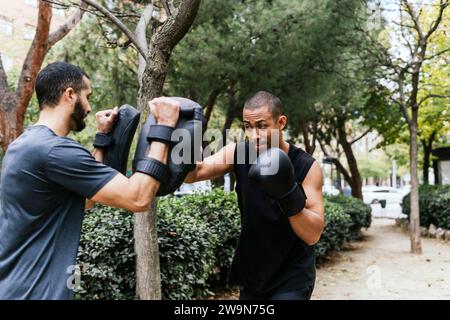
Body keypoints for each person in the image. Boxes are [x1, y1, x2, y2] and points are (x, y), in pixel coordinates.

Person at [0, 61, 180, 300]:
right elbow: (138, 198)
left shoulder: (24, 145)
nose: (89, 106)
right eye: (87, 96)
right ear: (70, 94)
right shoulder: (55, 151)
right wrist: (164, 128)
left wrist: (103, 138)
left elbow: (86, 199)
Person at [185, 91, 325, 300]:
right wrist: (181, 131)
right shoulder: (238, 153)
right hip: (254, 274)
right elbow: (193, 174)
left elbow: (313, 234)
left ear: (281, 122)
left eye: (261, 126)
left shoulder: (306, 166)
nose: (253, 135)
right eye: (248, 127)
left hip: (293, 274)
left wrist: (287, 194)